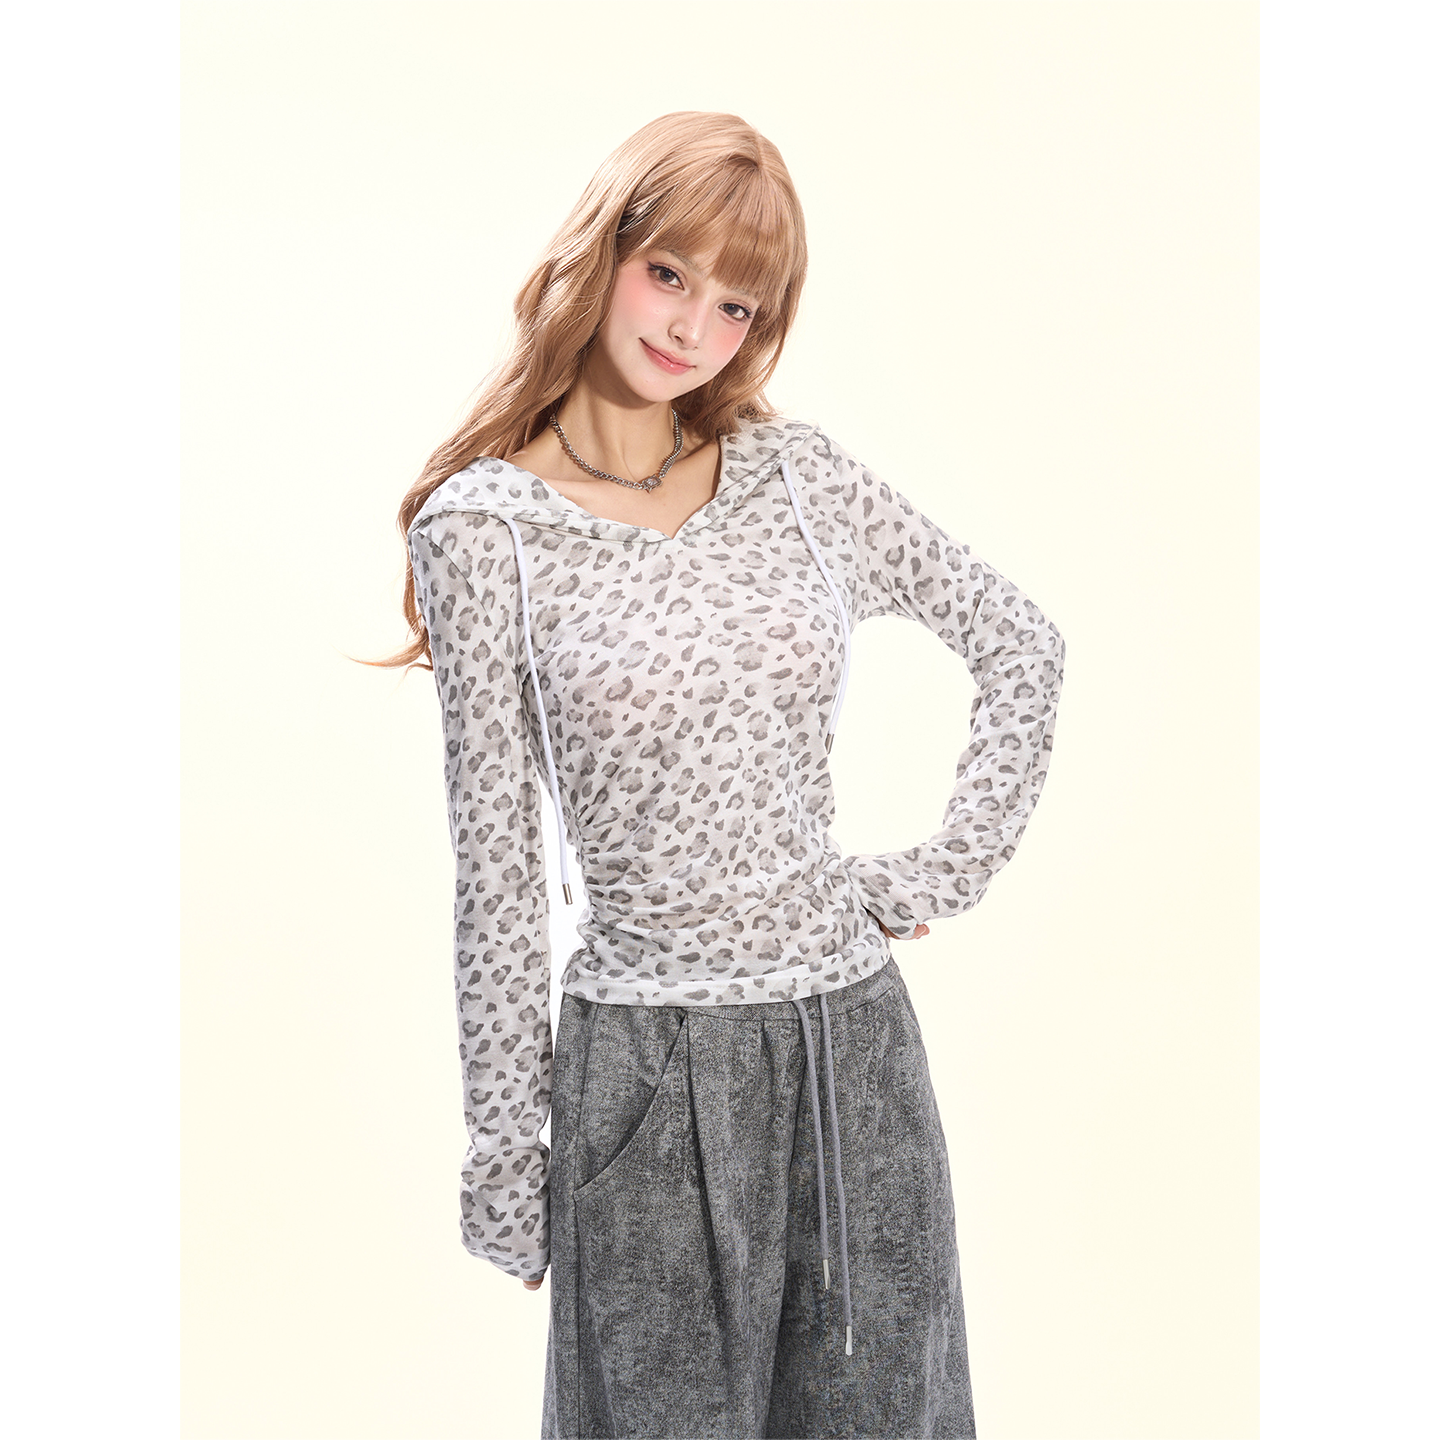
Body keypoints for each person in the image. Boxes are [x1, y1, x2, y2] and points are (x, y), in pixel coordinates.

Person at [373, 111, 1065, 1440]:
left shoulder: (797, 479)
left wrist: (938, 872)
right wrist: (507, 1157)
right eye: (670, 273)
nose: (694, 326)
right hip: (641, 1075)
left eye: (736, 304)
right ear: (603, 252)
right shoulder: (483, 532)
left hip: (851, 1057)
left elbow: (1021, 644)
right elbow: (499, 877)